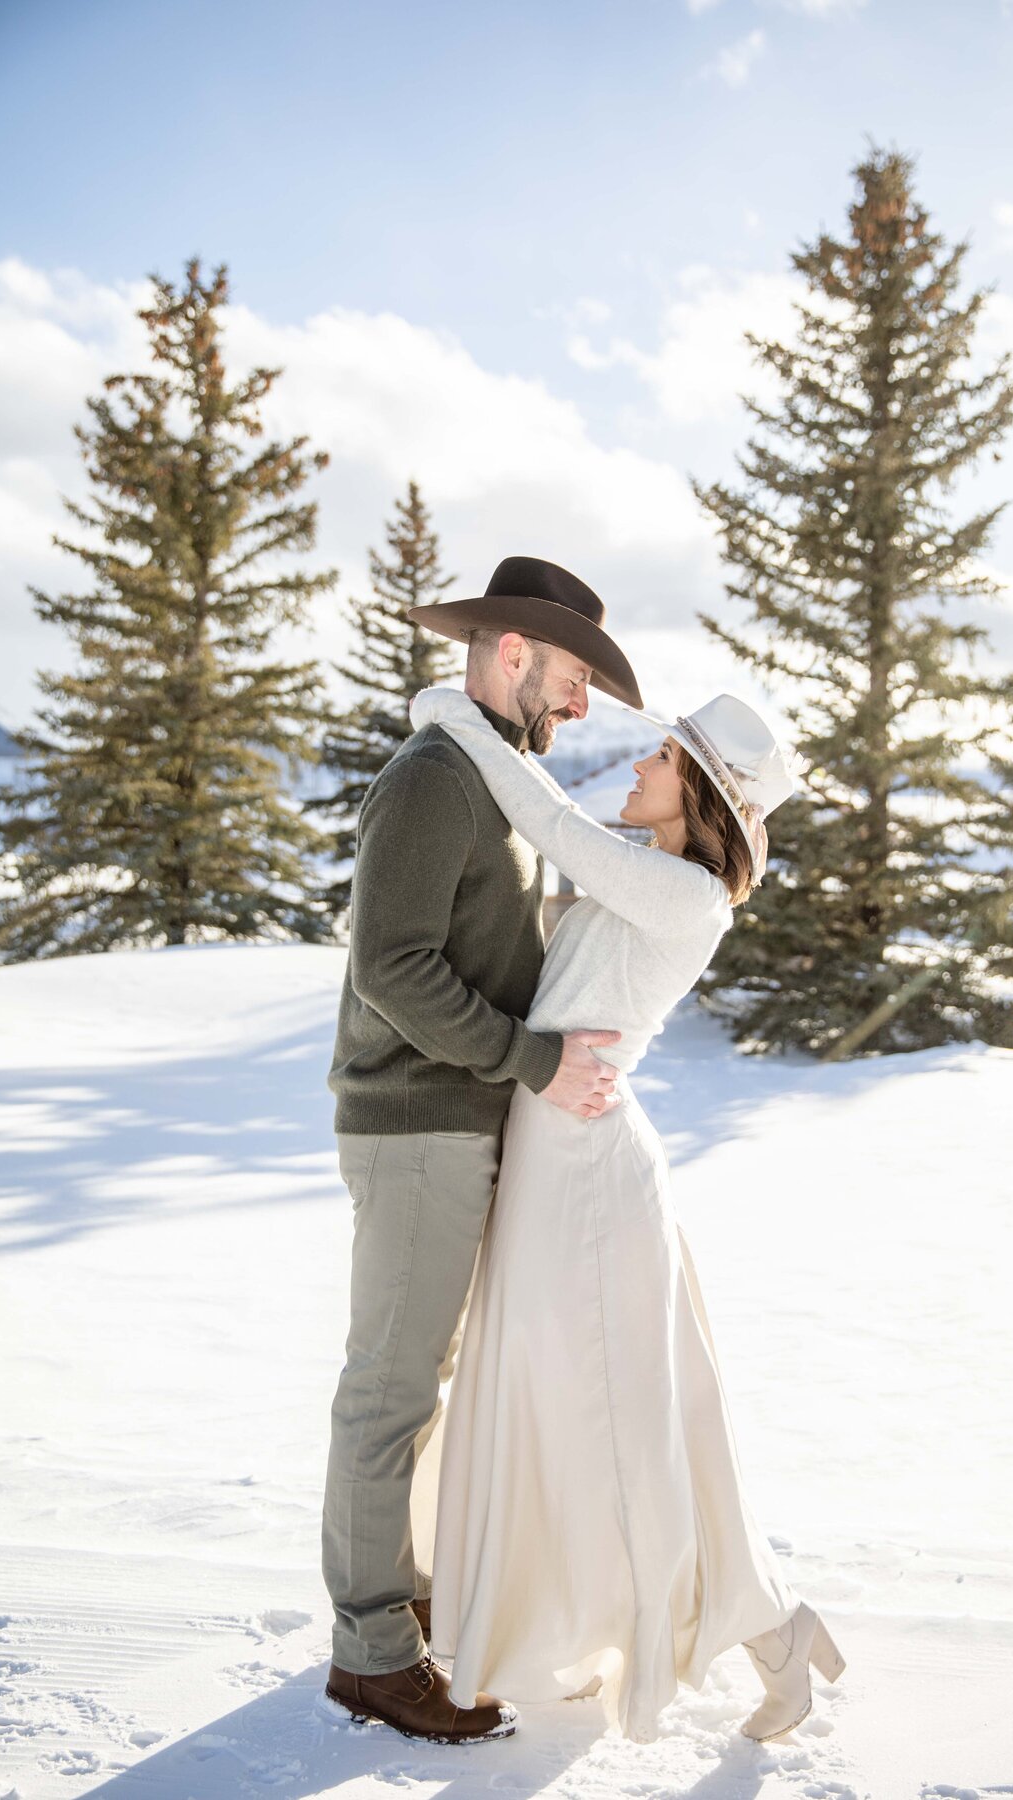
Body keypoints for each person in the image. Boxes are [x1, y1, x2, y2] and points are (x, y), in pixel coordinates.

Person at [404, 680, 847, 1746]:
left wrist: (452, 716)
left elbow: (547, 822)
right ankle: (772, 1633)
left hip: (591, 1178)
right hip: (564, 1156)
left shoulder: (683, 896)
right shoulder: (653, 883)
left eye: (660, 761)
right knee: (605, 1416)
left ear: (698, 796)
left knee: (619, 1427)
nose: (639, 767)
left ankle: (768, 1635)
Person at [321, 556, 644, 1745]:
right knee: (391, 1390)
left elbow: (482, 937)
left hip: (454, 1124)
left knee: (422, 1385)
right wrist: (533, 1059)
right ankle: (368, 1652)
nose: (580, 706)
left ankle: (394, 1608)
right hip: (415, 1122)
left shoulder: (493, 780)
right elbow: (392, 967)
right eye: (571, 678)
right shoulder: (435, 780)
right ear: (512, 652)